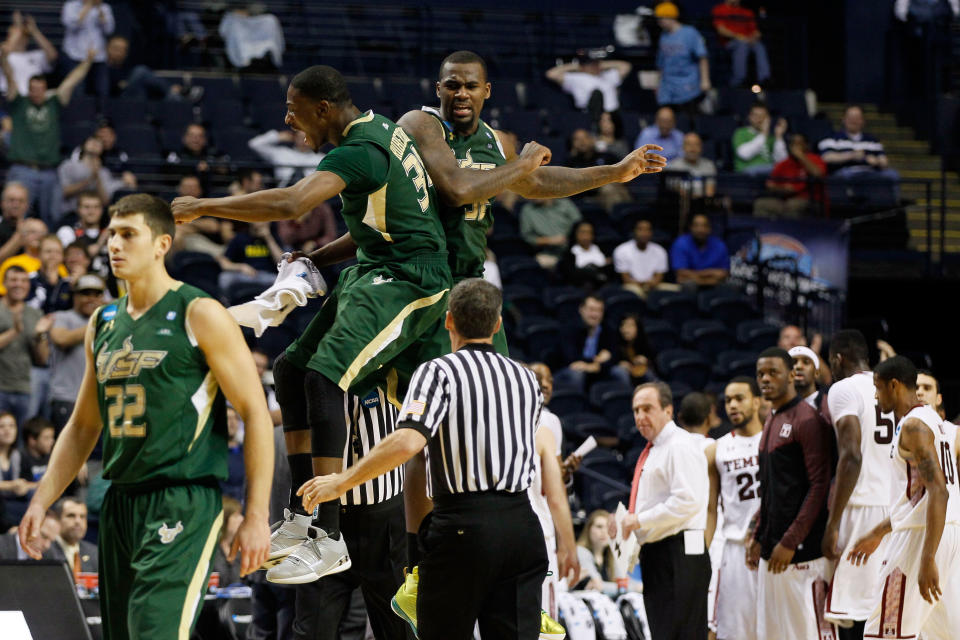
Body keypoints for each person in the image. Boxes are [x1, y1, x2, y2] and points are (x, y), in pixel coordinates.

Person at [170, 65, 466, 584]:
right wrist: (316, 257)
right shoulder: (379, 129)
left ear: (324, 109)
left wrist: (202, 206)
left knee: (325, 378)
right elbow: (380, 227)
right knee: (289, 369)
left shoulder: (357, 150)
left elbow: (290, 201)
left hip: (411, 279)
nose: (288, 120)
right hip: (377, 267)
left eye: (294, 109)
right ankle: (301, 517)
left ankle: (328, 535)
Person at [17, 193, 273, 640]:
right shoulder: (103, 321)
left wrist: (255, 516)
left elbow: (255, 411)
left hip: (182, 499)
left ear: (161, 244)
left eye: (129, 234)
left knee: (154, 633)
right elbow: (82, 425)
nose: (115, 244)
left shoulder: (201, 313)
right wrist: (41, 499)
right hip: (120, 502)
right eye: (112, 234)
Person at [298, 278, 578, 640]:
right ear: (497, 324)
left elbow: (407, 443)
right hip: (522, 527)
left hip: (463, 526)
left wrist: (341, 481)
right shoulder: (526, 380)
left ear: (448, 321)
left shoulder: (438, 371)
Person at [851, 356, 960, 640]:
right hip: (944, 531)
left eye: (878, 388)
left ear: (895, 385)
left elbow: (939, 491)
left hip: (922, 538)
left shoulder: (914, 426)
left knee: (884, 633)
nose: (876, 396)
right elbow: (917, 498)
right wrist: (878, 532)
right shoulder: (934, 420)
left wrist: (927, 557)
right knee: (939, 634)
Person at [291, 389, 409, 640]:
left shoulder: (392, 360)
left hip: (385, 520)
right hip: (323, 522)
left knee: (399, 628)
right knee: (311, 631)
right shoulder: (307, 366)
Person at [613, 381, 710, 640]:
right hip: (660, 553)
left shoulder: (679, 445)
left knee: (681, 634)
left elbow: (688, 501)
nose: (640, 417)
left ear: (668, 410)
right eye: (635, 411)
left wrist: (639, 520)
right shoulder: (655, 448)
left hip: (680, 552)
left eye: (647, 408)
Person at [749, 348, 834, 640]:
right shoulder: (772, 419)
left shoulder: (808, 420)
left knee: (808, 633)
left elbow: (819, 486)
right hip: (773, 550)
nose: (765, 379)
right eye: (761, 374)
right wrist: (759, 536)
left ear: (790, 375)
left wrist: (790, 540)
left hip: (801, 553)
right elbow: (771, 489)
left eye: (773, 372)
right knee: (772, 634)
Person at [819, 330, 892, 636]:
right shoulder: (890, 387)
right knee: (884, 614)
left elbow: (852, 456)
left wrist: (833, 522)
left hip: (860, 508)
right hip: (893, 510)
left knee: (848, 619)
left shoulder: (843, 389)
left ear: (838, 359)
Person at [1, 46, 93, 226]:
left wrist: (88, 61)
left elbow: (71, 81)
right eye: (33, 89)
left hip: (49, 171)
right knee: (16, 216)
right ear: (28, 89)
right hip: (22, 168)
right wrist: (3, 58)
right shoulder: (19, 103)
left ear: (45, 90)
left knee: (52, 217)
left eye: (40, 89)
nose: (36, 93)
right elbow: (10, 77)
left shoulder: (53, 103)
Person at [704, 376, 763, 640]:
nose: (733, 405)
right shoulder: (717, 449)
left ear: (757, 401)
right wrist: (702, 553)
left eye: (739, 398)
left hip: (772, 549)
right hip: (736, 549)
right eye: (728, 400)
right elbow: (710, 509)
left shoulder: (774, 439)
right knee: (734, 632)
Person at [47, 273, 104, 433]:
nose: (91, 299)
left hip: (98, 400)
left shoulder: (108, 320)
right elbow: (61, 339)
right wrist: (98, 322)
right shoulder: (63, 317)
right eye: (85, 294)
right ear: (75, 296)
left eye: (96, 294)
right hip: (67, 397)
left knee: (97, 457)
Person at [0, 265, 52, 426]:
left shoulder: (34, 314)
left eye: (23, 281)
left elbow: (42, 359)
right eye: (13, 280)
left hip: (26, 388)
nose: (19, 284)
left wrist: (41, 336)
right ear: (4, 282)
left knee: (23, 442)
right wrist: (14, 332)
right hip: (0, 387)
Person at [556, 294, 622, 393]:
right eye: (591, 309)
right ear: (581, 310)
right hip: (568, 370)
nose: (595, 315)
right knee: (577, 373)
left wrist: (597, 366)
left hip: (599, 369)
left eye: (599, 310)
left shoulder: (608, 329)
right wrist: (596, 362)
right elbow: (570, 358)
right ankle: (577, 405)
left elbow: (616, 356)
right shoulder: (569, 329)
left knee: (620, 372)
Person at [57, 135, 136, 217]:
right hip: (71, 212)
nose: (94, 144)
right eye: (91, 141)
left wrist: (97, 176)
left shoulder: (104, 172)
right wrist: (90, 179)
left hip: (94, 216)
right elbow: (65, 192)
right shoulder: (69, 165)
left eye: (98, 143)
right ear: (83, 145)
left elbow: (105, 200)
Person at [653, 2, 711, 112]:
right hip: (668, 84)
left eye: (661, 19)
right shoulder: (663, 36)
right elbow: (661, 64)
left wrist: (705, 80)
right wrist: (658, 85)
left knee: (689, 115)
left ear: (670, 17)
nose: (659, 23)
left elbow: (702, 57)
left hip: (688, 82)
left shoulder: (690, 33)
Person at [753, 133, 827, 218]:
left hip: (810, 200)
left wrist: (801, 156)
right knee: (761, 204)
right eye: (793, 143)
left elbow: (818, 174)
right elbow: (770, 184)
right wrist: (784, 189)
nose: (795, 146)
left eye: (799, 143)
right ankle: (768, 231)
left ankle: (792, 231)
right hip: (785, 199)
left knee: (793, 205)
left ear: (806, 145)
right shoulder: (784, 163)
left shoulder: (815, 159)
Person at [818, 105, 898, 181]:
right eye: (851, 117)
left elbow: (884, 161)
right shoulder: (832, 138)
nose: (854, 121)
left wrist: (876, 161)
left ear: (863, 121)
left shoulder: (872, 140)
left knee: (892, 174)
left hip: (870, 173)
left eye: (857, 118)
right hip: (845, 172)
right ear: (843, 119)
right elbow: (826, 157)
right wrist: (851, 155)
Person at [545, 53, 632, 120]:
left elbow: (626, 66)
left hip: (612, 114)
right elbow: (551, 74)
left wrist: (603, 64)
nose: (593, 66)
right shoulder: (576, 77)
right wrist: (576, 66)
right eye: (590, 64)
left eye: (595, 63)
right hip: (589, 115)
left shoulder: (608, 75)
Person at [60, 0, 114, 98]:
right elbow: (72, 26)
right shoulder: (71, 6)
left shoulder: (104, 7)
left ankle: (102, 113)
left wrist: (100, 12)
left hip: (98, 56)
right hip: (76, 56)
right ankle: (76, 112)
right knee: (77, 91)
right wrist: (87, 6)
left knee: (102, 90)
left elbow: (109, 30)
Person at [711, 0, 771, 87]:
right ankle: (738, 80)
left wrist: (753, 37)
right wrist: (738, 36)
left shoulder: (747, 12)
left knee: (759, 46)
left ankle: (764, 78)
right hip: (729, 43)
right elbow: (721, 30)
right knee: (742, 45)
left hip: (748, 40)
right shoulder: (719, 9)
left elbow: (756, 31)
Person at [0, 11, 58, 96]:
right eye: (13, 34)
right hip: (7, 98)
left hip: (30, 100)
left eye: (23, 35)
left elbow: (53, 55)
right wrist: (18, 27)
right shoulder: (4, 52)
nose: (19, 37)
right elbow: (6, 50)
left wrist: (35, 31)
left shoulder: (36, 55)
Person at [249, 129, 328, 188]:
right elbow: (254, 144)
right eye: (301, 137)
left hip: (310, 197)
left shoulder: (321, 158)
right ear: (295, 138)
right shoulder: (281, 153)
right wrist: (278, 136)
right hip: (283, 196)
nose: (304, 141)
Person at [670, 213, 730, 287]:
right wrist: (711, 274)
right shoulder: (681, 243)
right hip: (689, 287)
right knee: (689, 285)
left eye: (704, 226)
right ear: (690, 227)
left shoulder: (719, 245)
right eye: (696, 226)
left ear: (710, 228)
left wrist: (695, 276)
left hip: (715, 288)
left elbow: (724, 273)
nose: (700, 230)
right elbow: (681, 274)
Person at [613, 219, 669, 297]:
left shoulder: (660, 250)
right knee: (636, 292)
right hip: (632, 286)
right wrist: (642, 284)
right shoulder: (622, 250)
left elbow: (659, 277)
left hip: (653, 285)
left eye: (647, 230)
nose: (644, 233)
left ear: (651, 233)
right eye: (640, 229)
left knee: (677, 290)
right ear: (634, 231)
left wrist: (649, 284)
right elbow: (626, 279)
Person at [732, 103, 787, 175]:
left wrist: (779, 137)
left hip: (769, 171)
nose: (759, 119)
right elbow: (744, 155)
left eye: (763, 116)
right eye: (755, 115)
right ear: (749, 117)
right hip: (748, 171)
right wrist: (763, 133)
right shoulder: (741, 132)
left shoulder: (771, 136)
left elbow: (782, 160)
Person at [556, 220, 611, 290]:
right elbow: (570, 276)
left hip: (604, 286)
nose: (586, 236)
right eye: (582, 232)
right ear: (575, 233)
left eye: (589, 232)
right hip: (581, 288)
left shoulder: (602, 249)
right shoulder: (569, 254)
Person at [51, 496, 97, 575]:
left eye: (82, 517)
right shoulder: (46, 551)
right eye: (71, 516)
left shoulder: (94, 553)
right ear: (57, 519)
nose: (78, 521)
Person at [666, 132, 717, 201]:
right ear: (683, 147)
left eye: (696, 145)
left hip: (703, 205)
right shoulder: (673, 166)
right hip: (679, 205)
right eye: (689, 145)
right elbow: (676, 192)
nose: (693, 149)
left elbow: (709, 193)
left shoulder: (709, 166)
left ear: (701, 148)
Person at [614, 314, 656, 385]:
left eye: (630, 326)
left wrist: (646, 360)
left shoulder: (644, 342)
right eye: (624, 325)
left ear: (637, 328)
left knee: (648, 373)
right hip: (626, 373)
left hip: (641, 372)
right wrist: (620, 363)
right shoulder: (615, 342)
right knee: (619, 371)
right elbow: (612, 360)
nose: (626, 329)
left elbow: (655, 362)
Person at [0, 182, 31, 263]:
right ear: (2, 203)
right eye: (11, 200)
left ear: (27, 205)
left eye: (21, 201)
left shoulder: (34, 227)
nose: (16, 205)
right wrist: (19, 235)